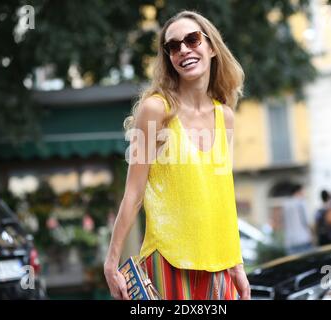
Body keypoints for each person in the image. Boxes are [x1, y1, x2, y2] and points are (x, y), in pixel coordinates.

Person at [103, 10, 250, 300]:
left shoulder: (226, 117)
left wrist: (238, 265)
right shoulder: (156, 110)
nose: (183, 49)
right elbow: (133, 193)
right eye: (173, 46)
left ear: (211, 47)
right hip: (167, 262)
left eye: (192, 39)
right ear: (169, 57)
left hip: (219, 266)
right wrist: (111, 262)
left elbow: (223, 197)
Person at [282, 184, 314, 255]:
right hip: (303, 239)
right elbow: (307, 221)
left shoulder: (285, 204)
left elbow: (284, 222)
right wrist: (312, 235)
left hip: (290, 241)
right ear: (298, 191)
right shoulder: (301, 202)